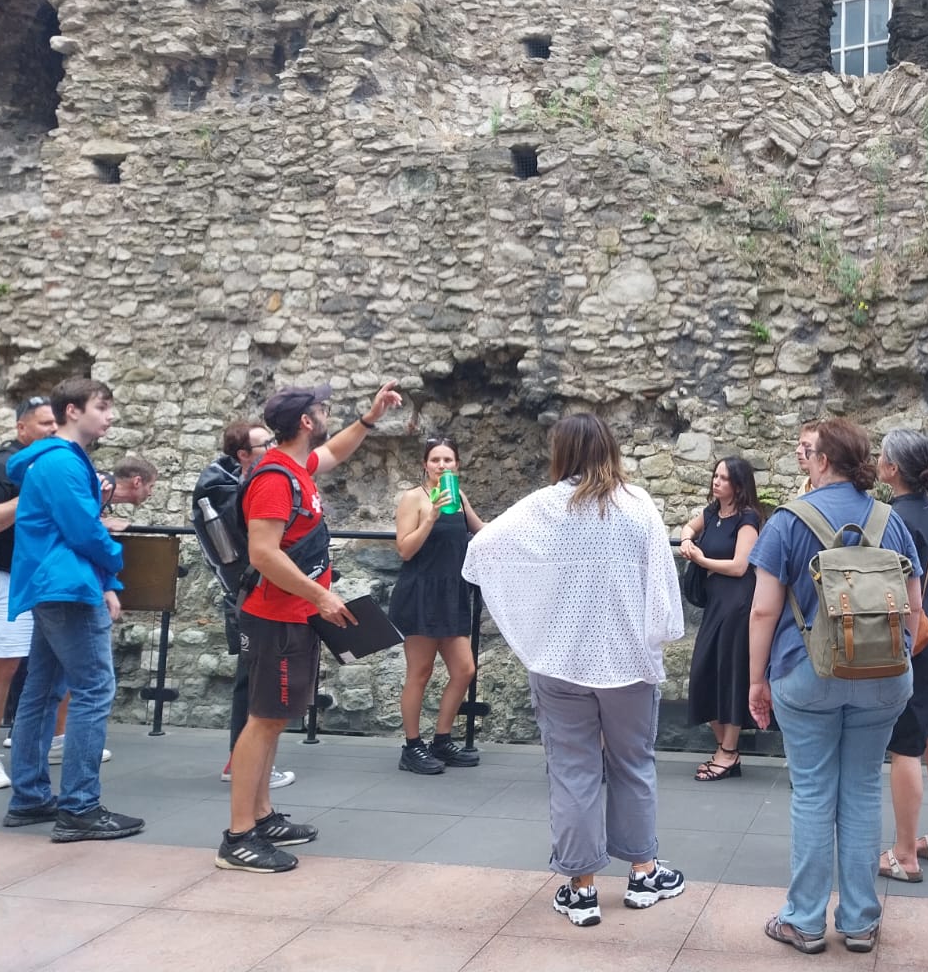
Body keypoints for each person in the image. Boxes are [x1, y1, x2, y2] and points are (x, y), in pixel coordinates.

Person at [462, 413, 686, 928]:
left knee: (572, 771)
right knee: (634, 765)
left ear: (560, 451)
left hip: (561, 658)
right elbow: (661, 578)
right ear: (610, 448)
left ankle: (582, 888)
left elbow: (482, 549)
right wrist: (659, 635)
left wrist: (535, 606)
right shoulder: (638, 506)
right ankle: (644, 872)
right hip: (628, 661)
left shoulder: (544, 507)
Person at [747, 417, 921, 956]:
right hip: (883, 678)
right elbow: (916, 606)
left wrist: (757, 680)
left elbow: (762, 611)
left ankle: (804, 920)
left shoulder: (787, 523)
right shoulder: (890, 521)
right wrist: (897, 658)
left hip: (809, 673)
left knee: (814, 792)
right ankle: (861, 921)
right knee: (864, 788)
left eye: (810, 453)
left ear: (823, 461)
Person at [217, 379, 402, 874]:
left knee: (274, 717)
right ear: (305, 421)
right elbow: (262, 552)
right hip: (276, 616)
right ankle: (238, 838)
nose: (326, 415)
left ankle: (260, 815)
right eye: (322, 409)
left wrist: (369, 418)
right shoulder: (276, 477)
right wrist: (320, 593)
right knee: (264, 719)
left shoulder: (296, 466)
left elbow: (335, 453)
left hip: (293, 614)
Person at [2, 377, 143, 842]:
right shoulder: (63, 462)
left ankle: (30, 797)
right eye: (102, 407)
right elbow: (84, 530)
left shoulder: (56, 460)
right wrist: (117, 561)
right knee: (93, 689)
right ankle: (80, 807)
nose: (110, 415)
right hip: (66, 586)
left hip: (54, 584)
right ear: (72, 411)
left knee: (41, 692)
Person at [877, 428, 928, 883]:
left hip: (919, 639)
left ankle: (905, 854)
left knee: (905, 747)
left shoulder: (892, 519)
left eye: (882, 457)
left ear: (892, 469)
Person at [191, 419, 295, 790]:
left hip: (248, 595)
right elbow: (246, 554)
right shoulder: (229, 492)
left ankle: (243, 762)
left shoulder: (227, 486)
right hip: (253, 596)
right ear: (243, 454)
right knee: (253, 683)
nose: (273, 445)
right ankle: (242, 764)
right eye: (265, 442)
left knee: (252, 680)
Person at [0, 395, 59, 789]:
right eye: (44, 425)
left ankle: (38, 741)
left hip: (41, 577)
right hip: (2, 576)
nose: (53, 430)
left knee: (52, 664)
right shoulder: (0, 465)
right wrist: (26, 500)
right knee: (2, 664)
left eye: (55, 424)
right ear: (22, 429)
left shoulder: (52, 464)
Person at [391, 436, 485, 774]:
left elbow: (481, 530)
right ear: (425, 464)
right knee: (420, 671)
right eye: (435, 460)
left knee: (464, 670)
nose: (442, 466)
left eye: (448, 460)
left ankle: (441, 740)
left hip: (453, 592)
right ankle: (412, 747)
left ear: (457, 464)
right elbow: (404, 550)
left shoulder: (458, 496)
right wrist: (430, 516)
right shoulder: (413, 499)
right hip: (421, 592)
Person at [679, 456, 762, 781]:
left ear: (738, 485)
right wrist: (687, 540)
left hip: (737, 604)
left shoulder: (747, 518)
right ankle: (724, 749)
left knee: (730, 672)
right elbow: (689, 525)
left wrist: (701, 559)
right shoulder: (714, 511)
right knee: (704, 671)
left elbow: (741, 566)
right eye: (715, 476)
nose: (717, 482)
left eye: (724, 478)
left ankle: (728, 753)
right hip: (716, 603)